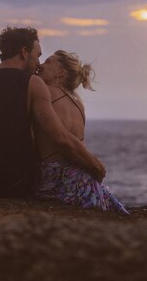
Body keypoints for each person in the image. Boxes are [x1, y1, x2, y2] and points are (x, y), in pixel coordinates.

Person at [0, 27, 105, 198]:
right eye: (38, 55)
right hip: (9, 186)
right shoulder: (33, 83)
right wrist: (96, 166)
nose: (38, 64)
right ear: (24, 52)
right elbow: (60, 138)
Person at [35, 50, 129, 214]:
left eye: (48, 62)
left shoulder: (45, 94)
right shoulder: (79, 105)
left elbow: (64, 141)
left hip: (54, 176)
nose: (41, 65)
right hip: (80, 174)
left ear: (61, 73)